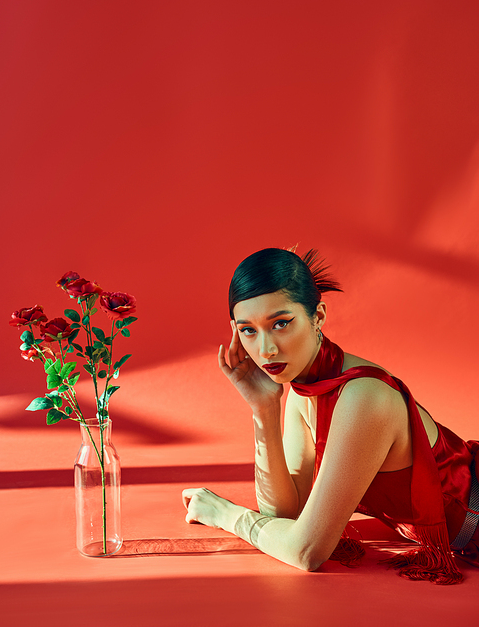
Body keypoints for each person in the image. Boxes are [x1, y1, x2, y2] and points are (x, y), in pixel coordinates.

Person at [182, 247, 479, 585]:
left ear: (318, 316)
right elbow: (284, 515)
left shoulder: (363, 397)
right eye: (249, 330)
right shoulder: (305, 388)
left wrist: (226, 514)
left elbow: (306, 550)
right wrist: (264, 410)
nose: (266, 350)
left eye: (280, 323)